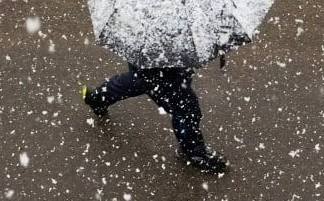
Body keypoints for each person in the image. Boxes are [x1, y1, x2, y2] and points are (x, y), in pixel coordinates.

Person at [82, 62, 227, 173]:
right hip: (165, 64)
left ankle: (98, 97)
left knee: (140, 78)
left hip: (151, 55)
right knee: (186, 107)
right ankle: (192, 150)